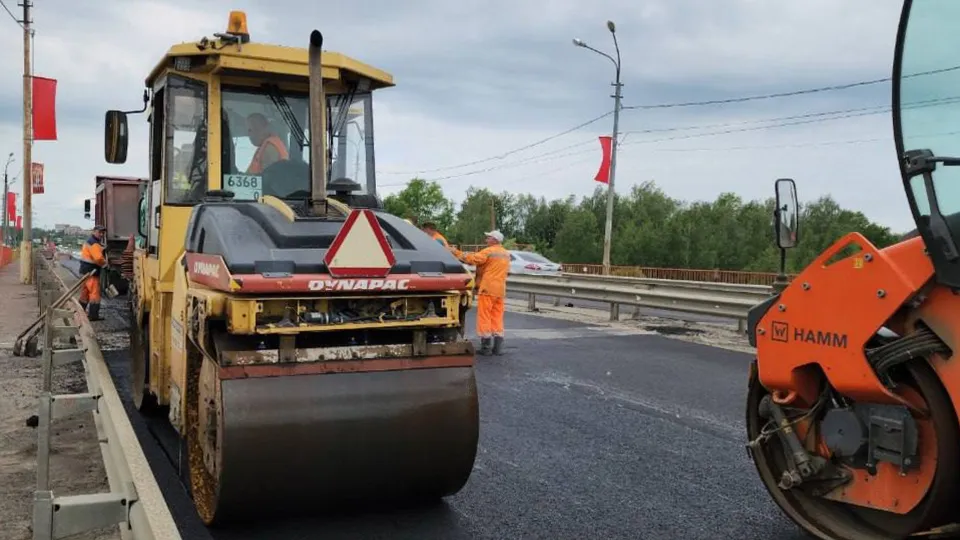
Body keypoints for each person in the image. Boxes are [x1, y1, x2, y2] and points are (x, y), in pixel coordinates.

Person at [449, 230, 509, 355]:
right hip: (500, 290)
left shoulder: (489, 251)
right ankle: (497, 347)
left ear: (494, 240)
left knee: (485, 316)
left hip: (487, 288)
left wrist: (456, 252)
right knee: (497, 317)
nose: (486, 240)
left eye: (488, 238)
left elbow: (473, 259)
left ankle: (486, 347)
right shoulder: (505, 253)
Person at [78, 225, 108, 321]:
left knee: (84, 293)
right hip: (91, 272)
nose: (101, 234)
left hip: (84, 271)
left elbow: (94, 253)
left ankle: (79, 313)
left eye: (103, 233)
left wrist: (102, 248)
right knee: (94, 294)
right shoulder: (94, 243)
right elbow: (98, 258)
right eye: (99, 232)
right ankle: (93, 315)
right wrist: (105, 265)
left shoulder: (90, 241)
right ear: (94, 232)